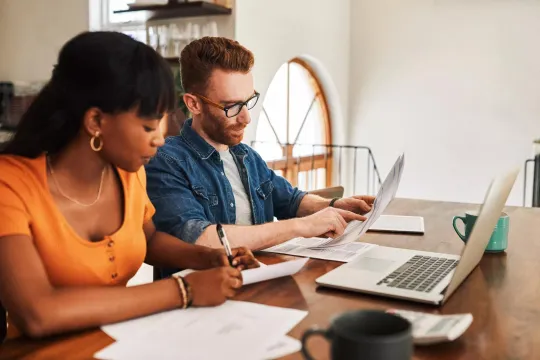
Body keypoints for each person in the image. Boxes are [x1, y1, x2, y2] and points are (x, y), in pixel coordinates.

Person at [0, 31, 258, 340]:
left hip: (122, 342)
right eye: (148, 126)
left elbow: (147, 240)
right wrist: (183, 290)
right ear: (96, 121)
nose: (160, 139)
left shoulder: (129, 172)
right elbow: (37, 313)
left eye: (162, 123)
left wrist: (206, 258)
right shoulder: (10, 184)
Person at [145, 37, 375, 278]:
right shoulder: (166, 161)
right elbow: (198, 239)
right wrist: (301, 227)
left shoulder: (246, 156)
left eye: (248, 102)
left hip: (260, 283)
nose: (246, 118)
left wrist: (333, 206)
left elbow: (291, 201)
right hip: (203, 297)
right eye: (232, 106)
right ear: (194, 104)